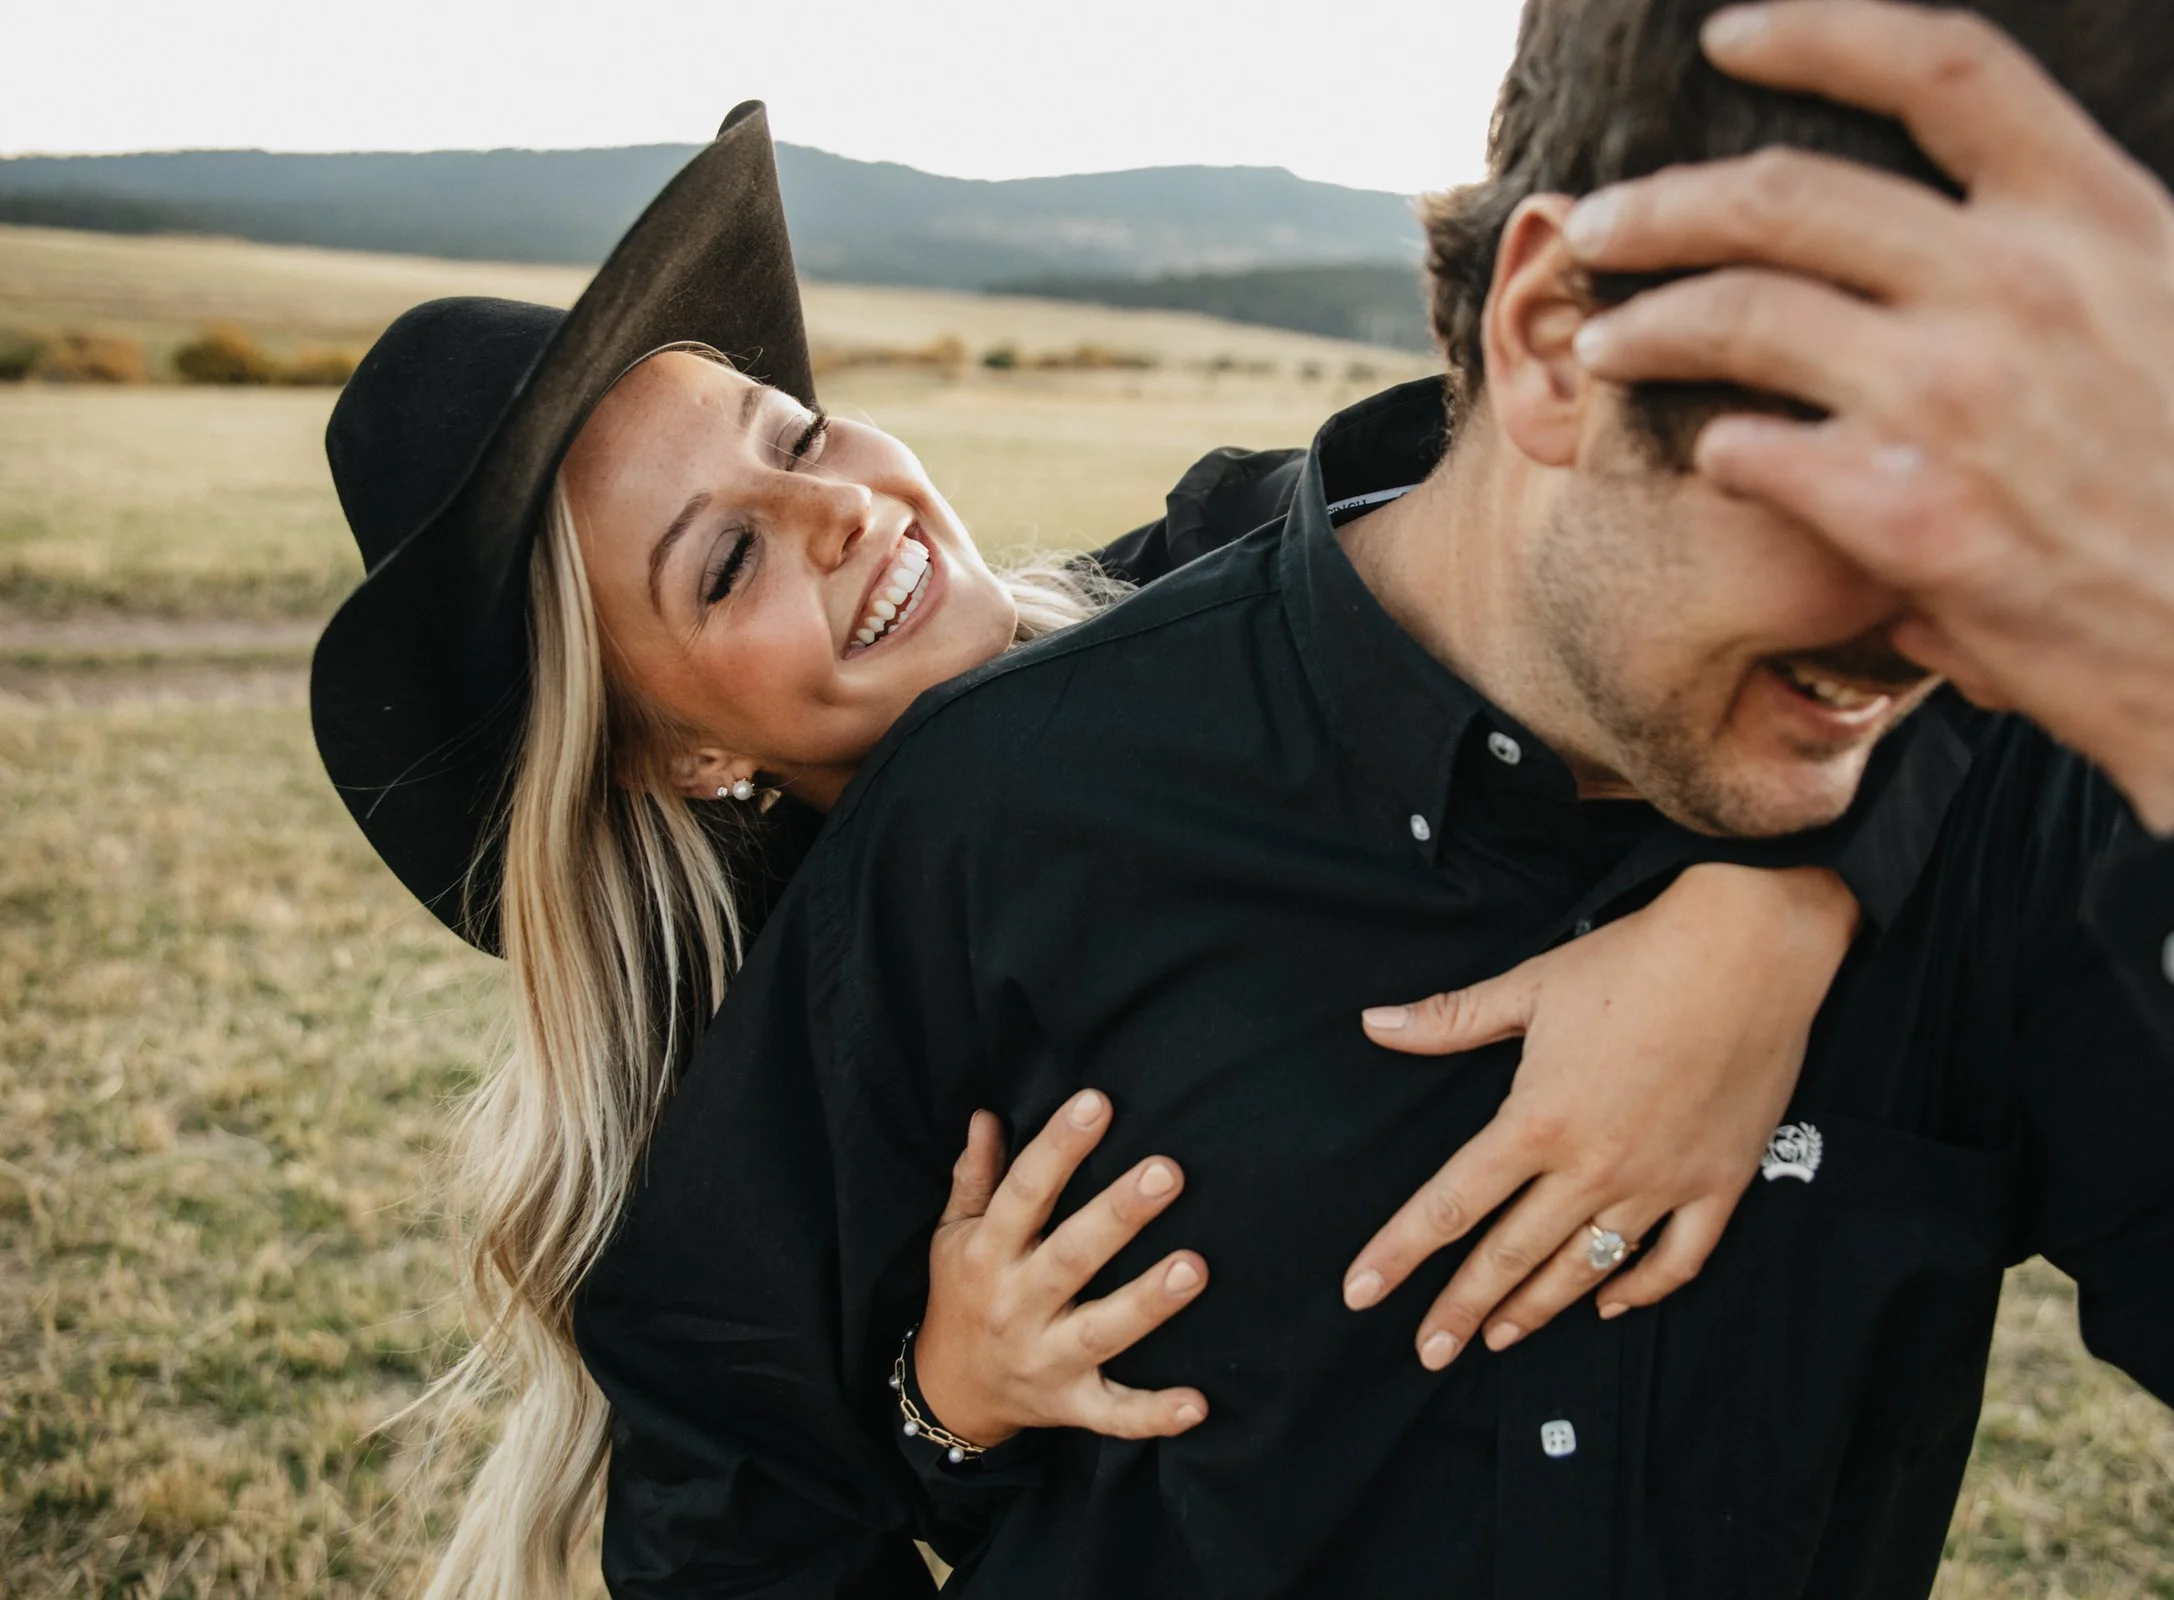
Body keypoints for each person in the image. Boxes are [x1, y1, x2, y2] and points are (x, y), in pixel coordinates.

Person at [719, 0, 2174, 1594]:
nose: (1972, 634)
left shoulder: (2017, 824)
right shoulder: (1007, 806)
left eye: (2066, 507)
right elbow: (729, 1490)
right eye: (1881, 472)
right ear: (1556, 342)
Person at [310, 108, 1954, 1598]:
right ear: (683, 749)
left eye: (797, 434)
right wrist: (940, 1400)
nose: (839, 508)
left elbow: (1730, 583)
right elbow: (741, 1499)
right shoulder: (808, 1031)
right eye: (728, 559)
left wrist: (1780, 903)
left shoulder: (1259, 573)